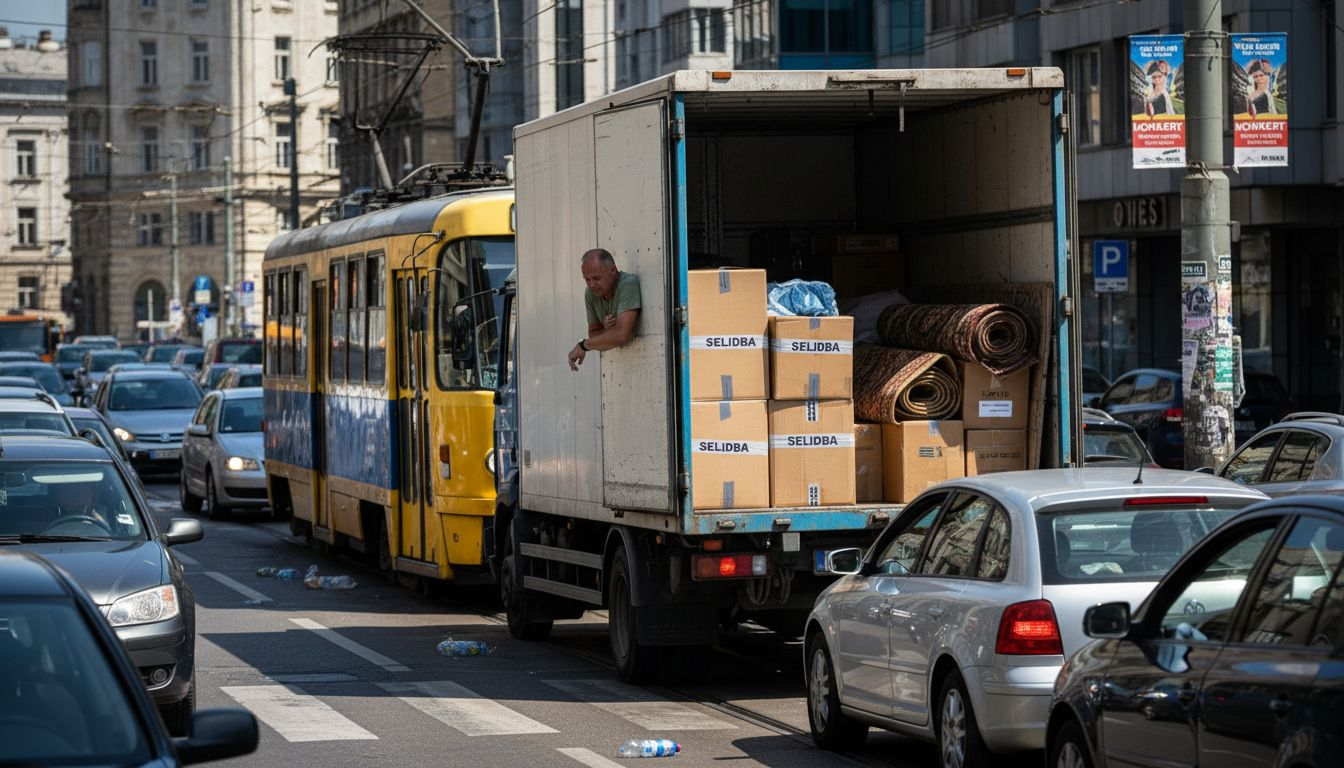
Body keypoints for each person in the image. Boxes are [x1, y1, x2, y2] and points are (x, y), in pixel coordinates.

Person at [568, 248, 642, 371]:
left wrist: (584, 345)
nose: (592, 285)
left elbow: (621, 336)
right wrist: (607, 331)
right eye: (587, 279)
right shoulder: (590, 294)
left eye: (596, 278)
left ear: (613, 270)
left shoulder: (628, 284)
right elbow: (593, 334)